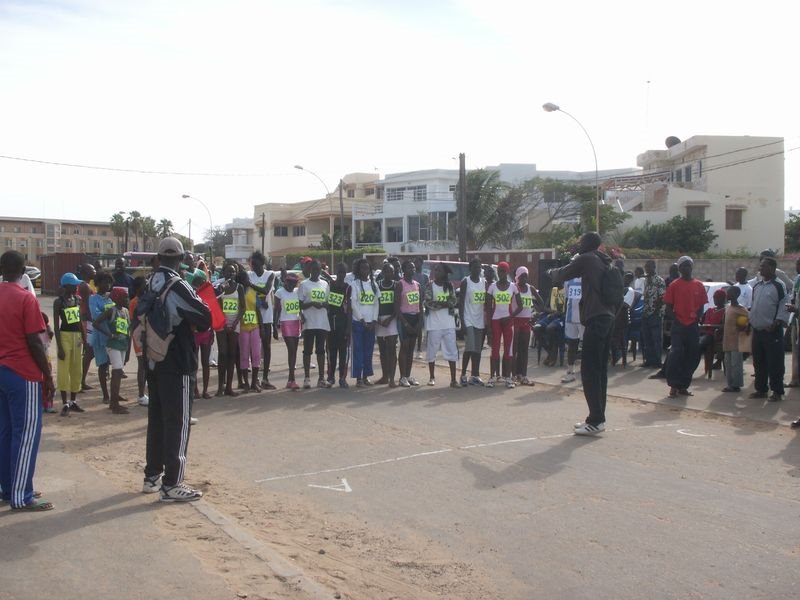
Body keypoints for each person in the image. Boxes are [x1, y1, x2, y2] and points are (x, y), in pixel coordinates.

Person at [139, 237, 210, 502]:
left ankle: (152, 476)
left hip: (154, 359)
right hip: (177, 360)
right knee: (178, 422)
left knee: (156, 420)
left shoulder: (151, 282)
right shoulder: (178, 285)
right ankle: (173, 483)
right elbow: (205, 317)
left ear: (159, 257)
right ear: (180, 259)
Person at [0, 250, 55, 511]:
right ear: (23, 271)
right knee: (26, 435)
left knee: (6, 432)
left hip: (1, 371)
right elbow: (35, 340)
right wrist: (47, 374)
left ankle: (8, 488)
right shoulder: (25, 299)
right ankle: (22, 494)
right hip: (22, 372)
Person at [547, 232, 617, 435]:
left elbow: (563, 274)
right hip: (608, 317)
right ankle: (598, 418)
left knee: (589, 370)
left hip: (596, 319)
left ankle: (595, 420)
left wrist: (551, 273)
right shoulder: (605, 260)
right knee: (600, 370)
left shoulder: (587, 259)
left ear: (588, 244)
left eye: (581, 241)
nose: (578, 244)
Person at [663, 256, 707, 398]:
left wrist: (697, 318)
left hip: (693, 326)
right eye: (683, 266)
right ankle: (673, 385)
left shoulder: (699, 285)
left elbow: (701, 306)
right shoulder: (674, 285)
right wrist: (677, 319)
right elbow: (668, 307)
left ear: (692, 267)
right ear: (679, 269)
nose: (686, 268)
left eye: (688, 265)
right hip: (679, 326)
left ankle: (684, 385)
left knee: (692, 355)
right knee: (676, 354)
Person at [749, 256, 789, 401]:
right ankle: (761, 390)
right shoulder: (757, 286)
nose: (761, 269)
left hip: (772, 331)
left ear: (772, 268)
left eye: (764, 266)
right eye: (760, 266)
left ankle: (777, 392)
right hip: (757, 331)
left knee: (775, 362)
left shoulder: (779, 286)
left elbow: (784, 304)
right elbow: (753, 306)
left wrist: (777, 322)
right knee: (759, 362)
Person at [92, 286, 131, 414]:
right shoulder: (111, 311)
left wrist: (128, 347)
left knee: (118, 372)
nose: (127, 299)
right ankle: (114, 404)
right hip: (113, 344)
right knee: (117, 371)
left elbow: (127, 330)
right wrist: (109, 334)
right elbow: (96, 323)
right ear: (117, 298)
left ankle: (115, 396)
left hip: (122, 344)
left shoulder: (125, 311)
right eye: (125, 297)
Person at [54, 272, 85, 415]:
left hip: (77, 336)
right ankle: (65, 403)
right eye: (74, 285)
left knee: (76, 369)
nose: (76, 287)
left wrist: (84, 338)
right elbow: (56, 325)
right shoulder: (59, 302)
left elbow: (79, 321)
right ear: (66, 286)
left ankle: (73, 401)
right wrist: (59, 346)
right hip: (65, 336)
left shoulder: (77, 299)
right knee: (63, 370)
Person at [424, 262, 459, 387]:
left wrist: (439, 304)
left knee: (452, 351)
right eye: (435, 270)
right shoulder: (429, 286)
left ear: (444, 273)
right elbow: (428, 303)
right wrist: (445, 304)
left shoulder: (450, 286)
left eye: (439, 270)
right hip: (434, 325)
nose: (436, 272)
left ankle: (454, 379)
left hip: (448, 323)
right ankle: (432, 377)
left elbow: (454, 301)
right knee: (432, 351)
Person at [298, 259, 331, 389]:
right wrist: (312, 303)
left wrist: (322, 304)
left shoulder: (325, 284)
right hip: (309, 322)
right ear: (310, 270)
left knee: (321, 350)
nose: (316, 272)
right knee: (307, 350)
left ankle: (321, 378)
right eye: (314, 269)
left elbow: (328, 302)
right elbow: (300, 304)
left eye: (318, 269)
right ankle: (307, 378)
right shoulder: (304, 285)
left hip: (322, 321)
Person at [485, 261, 518, 388]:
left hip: (508, 321)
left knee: (508, 350)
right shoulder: (492, 287)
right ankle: (493, 377)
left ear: (507, 272)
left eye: (503, 271)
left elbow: (519, 306)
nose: (500, 273)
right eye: (499, 271)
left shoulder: (513, 287)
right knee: (495, 350)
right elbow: (488, 307)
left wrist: (510, 317)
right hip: (495, 320)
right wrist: (488, 326)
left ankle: (508, 378)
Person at [247, 251, 276, 390]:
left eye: (256, 264)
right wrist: (258, 302)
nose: (254, 267)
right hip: (253, 315)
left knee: (266, 346)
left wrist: (252, 286)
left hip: (267, 317)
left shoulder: (270, 275)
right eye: (252, 264)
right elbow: (248, 294)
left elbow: (265, 290)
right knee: (254, 348)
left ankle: (265, 378)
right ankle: (255, 378)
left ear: (262, 263)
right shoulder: (249, 275)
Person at [190, 269, 219, 399]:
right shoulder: (192, 297)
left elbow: (212, 314)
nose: (204, 286)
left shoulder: (208, 297)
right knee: (195, 363)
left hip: (206, 332)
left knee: (205, 363)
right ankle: (195, 389)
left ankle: (205, 390)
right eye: (201, 283)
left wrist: (212, 330)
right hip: (196, 333)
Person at [215, 263, 244, 397]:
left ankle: (229, 387)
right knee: (223, 354)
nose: (231, 274)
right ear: (224, 273)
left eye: (233, 272)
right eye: (228, 272)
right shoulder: (219, 288)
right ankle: (220, 387)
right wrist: (225, 323)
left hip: (234, 323)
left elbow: (242, 307)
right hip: (222, 324)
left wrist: (235, 322)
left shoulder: (239, 288)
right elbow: (217, 306)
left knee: (232, 354)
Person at [458, 258, 487, 386]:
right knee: (469, 348)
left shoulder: (483, 282)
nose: (477, 269)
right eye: (475, 267)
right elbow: (461, 303)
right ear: (470, 269)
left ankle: (475, 375)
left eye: (479, 267)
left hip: (479, 320)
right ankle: (463, 374)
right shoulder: (466, 282)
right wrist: (462, 322)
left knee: (478, 350)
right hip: (468, 319)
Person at [350, 258, 378, 386]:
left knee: (368, 350)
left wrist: (373, 320)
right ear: (358, 270)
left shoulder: (373, 284)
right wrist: (361, 319)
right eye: (362, 268)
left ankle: (366, 376)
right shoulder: (354, 284)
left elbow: (376, 303)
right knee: (358, 351)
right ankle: (358, 378)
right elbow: (353, 303)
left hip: (371, 323)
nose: (365, 271)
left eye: (367, 268)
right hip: (358, 322)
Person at [512, 266, 542, 385]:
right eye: (522, 276)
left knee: (524, 350)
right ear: (517, 277)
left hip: (526, 322)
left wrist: (535, 314)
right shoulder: (513, 288)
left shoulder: (531, 288)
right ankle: (513, 375)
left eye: (526, 276)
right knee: (514, 350)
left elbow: (541, 303)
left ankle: (523, 375)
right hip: (515, 321)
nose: (524, 278)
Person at [88, 272, 114, 406]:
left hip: (110, 336)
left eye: (109, 283)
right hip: (100, 335)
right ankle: (105, 394)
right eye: (105, 282)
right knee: (102, 365)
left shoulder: (109, 299)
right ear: (98, 284)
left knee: (112, 365)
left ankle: (114, 393)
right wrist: (108, 313)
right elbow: (95, 315)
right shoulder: (93, 298)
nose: (108, 285)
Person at [396, 260, 422, 387]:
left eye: (413, 268)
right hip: (404, 319)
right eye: (409, 268)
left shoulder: (418, 285)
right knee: (404, 347)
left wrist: (418, 323)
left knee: (411, 348)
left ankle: (408, 375)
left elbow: (420, 306)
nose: (412, 270)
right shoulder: (400, 284)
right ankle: (402, 377)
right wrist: (406, 324)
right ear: (404, 270)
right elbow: (396, 308)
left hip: (415, 318)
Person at [274, 273, 302, 389]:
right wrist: (274, 327)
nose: (292, 285)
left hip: (296, 322)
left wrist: (302, 317)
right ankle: (292, 379)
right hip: (285, 322)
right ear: (285, 282)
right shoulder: (279, 293)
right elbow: (276, 310)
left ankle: (291, 379)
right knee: (291, 350)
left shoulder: (297, 292)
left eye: (294, 283)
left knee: (294, 351)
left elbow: (300, 307)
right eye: (290, 282)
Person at [327, 263, 351, 388]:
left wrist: (348, 327)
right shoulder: (330, 285)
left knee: (343, 354)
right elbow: (326, 305)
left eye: (343, 272)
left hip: (343, 324)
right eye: (339, 272)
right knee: (331, 352)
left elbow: (350, 309)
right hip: (331, 324)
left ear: (345, 274)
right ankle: (330, 377)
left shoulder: (348, 288)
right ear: (336, 272)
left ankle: (342, 378)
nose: (341, 275)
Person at [375, 263, 399, 387]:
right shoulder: (377, 285)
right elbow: (375, 303)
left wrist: (390, 318)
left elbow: (398, 304)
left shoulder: (396, 285)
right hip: (379, 320)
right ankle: (385, 376)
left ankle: (392, 379)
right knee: (383, 350)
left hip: (392, 319)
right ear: (383, 273)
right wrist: (378, 320)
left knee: (392, 350)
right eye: (387, 272)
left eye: (392, 272)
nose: (389, 274)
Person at [722, 286, 749, 393]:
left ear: (737, 295)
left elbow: (748, 322)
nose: (727, 295)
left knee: (736, 364)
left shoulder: (741, 309)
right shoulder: (727, 307)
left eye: (730, 293)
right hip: (727, 339)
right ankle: (730, 384)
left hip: (736, 341)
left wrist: (745, 326)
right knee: (728, 363)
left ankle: (736, 385)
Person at [640, 260, 666, 369]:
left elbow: (662, 297)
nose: (647, 269)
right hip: (646, 312)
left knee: (656, 338)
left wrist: (656, 311)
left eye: (649, 267)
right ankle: (649, 360)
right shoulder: (646, 281)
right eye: (646, 267)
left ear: (654, 267)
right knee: (647, 338)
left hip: (655, 313)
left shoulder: (659, 280)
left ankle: (657, 361)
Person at [128, 276, 150, 406]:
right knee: (142, 365)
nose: (147, 285)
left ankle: (144, 392)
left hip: (146, 333)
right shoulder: (135, 302)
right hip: (139, 334)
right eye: (144, 284)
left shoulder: (145, 299)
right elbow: (134, 321)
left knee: (146, 364)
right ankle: (141, 395)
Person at [77, 262, 97, 391]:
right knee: (89, 351)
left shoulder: (86, 284)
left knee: (89, 352)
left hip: (86, 320)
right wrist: (93, 321)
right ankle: (81, 381)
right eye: (92, 269)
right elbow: (88, 306)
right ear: (85, 272)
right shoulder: (84, 286)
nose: (94, 271)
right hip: (86, 320)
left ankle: (80, 380)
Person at [561, 275, 583, 383]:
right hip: (570, 318)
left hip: (584, 318)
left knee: (587, 346)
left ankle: (586, 372)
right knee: (571, 345)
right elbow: (567, 298)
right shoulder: (568, 280)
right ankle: (570, 371)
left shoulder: (587, 278)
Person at [698, 289, 727, 369]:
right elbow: (701, 320)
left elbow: (724, 325)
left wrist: (711, 326)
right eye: (715, 297)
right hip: (703, 332)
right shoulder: (710, 310)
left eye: (718, 298)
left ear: (724, 299)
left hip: (714, 335)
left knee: (699, 344)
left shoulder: (725, 311)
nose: (716, 299)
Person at [412, 257, 428, 359]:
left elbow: (427, 290)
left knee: (420, 328)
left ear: (422, 264)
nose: (416, 265)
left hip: (420, 304)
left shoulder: (425, 277)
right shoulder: (411, 275)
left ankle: (419, 348)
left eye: (418, 263)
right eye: (415, 263)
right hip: (411, 304)